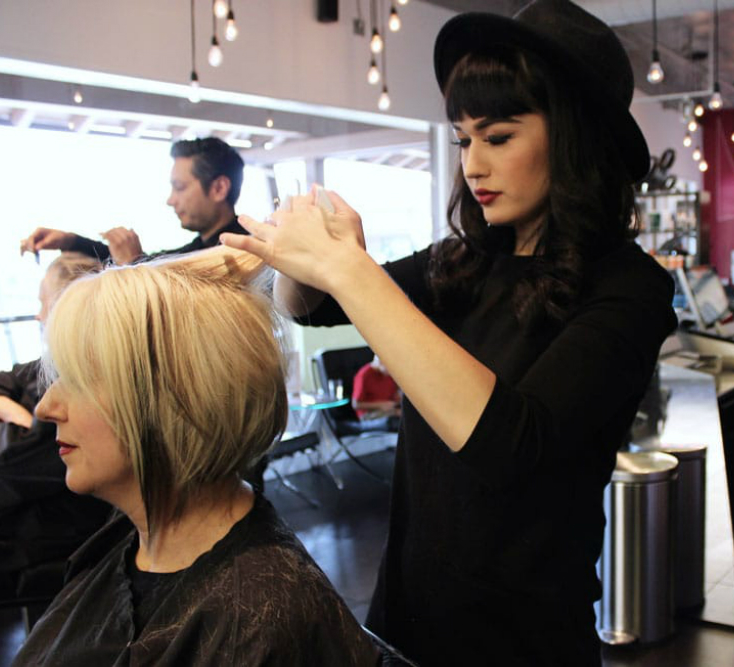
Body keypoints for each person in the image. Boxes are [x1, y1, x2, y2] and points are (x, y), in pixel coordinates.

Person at [222, 1, 677, 664]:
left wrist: (350, 270)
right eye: (464, 140)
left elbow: (511, 442)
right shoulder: (460, 263)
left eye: (497, 137)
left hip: (526, 637)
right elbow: (311, 307)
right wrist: (311, 256)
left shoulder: (628, 286)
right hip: (406, 617)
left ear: (575, 136)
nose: (473, 165)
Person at [12, 246, 379, 666]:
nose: (46, 408)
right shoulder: (131, 543)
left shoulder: (257, 618)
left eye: (78, 379)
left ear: (175, 399)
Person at [0, 253, 110, 594]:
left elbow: (6, 465)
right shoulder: (44, 368)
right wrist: (15, 415)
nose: (38, 315)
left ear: (69, 308)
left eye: (44, 303)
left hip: (53, 526)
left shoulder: (81, 382)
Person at [18, 137, 247, 265]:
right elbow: (153, 263)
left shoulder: (247, 254)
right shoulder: (198, 249)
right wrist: (69, 241)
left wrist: (134, 266)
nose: (170, 200)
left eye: (180, 187)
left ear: (219, 188)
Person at [352, 355, 401, 423]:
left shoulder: (389, 374)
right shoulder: (363, 375)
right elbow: (355, 404)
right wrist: (380, 405)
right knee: (396, 420)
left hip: (390, 410)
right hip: (369, 414)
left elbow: (395, 396)